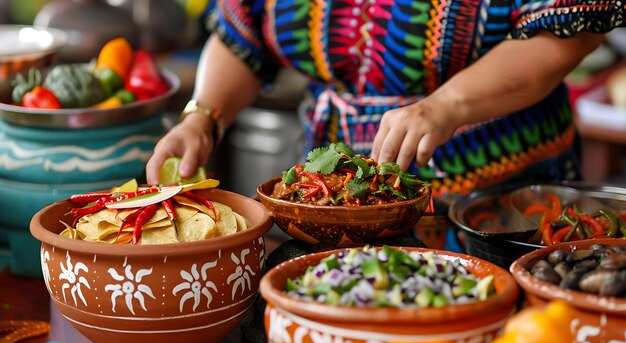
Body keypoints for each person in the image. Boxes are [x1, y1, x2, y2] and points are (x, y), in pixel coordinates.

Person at [146, 1, 621, 244]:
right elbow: (242, 31)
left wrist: (446, 105)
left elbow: (570, 32)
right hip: (336, 200)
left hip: (499, 201)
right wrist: (203, 115)